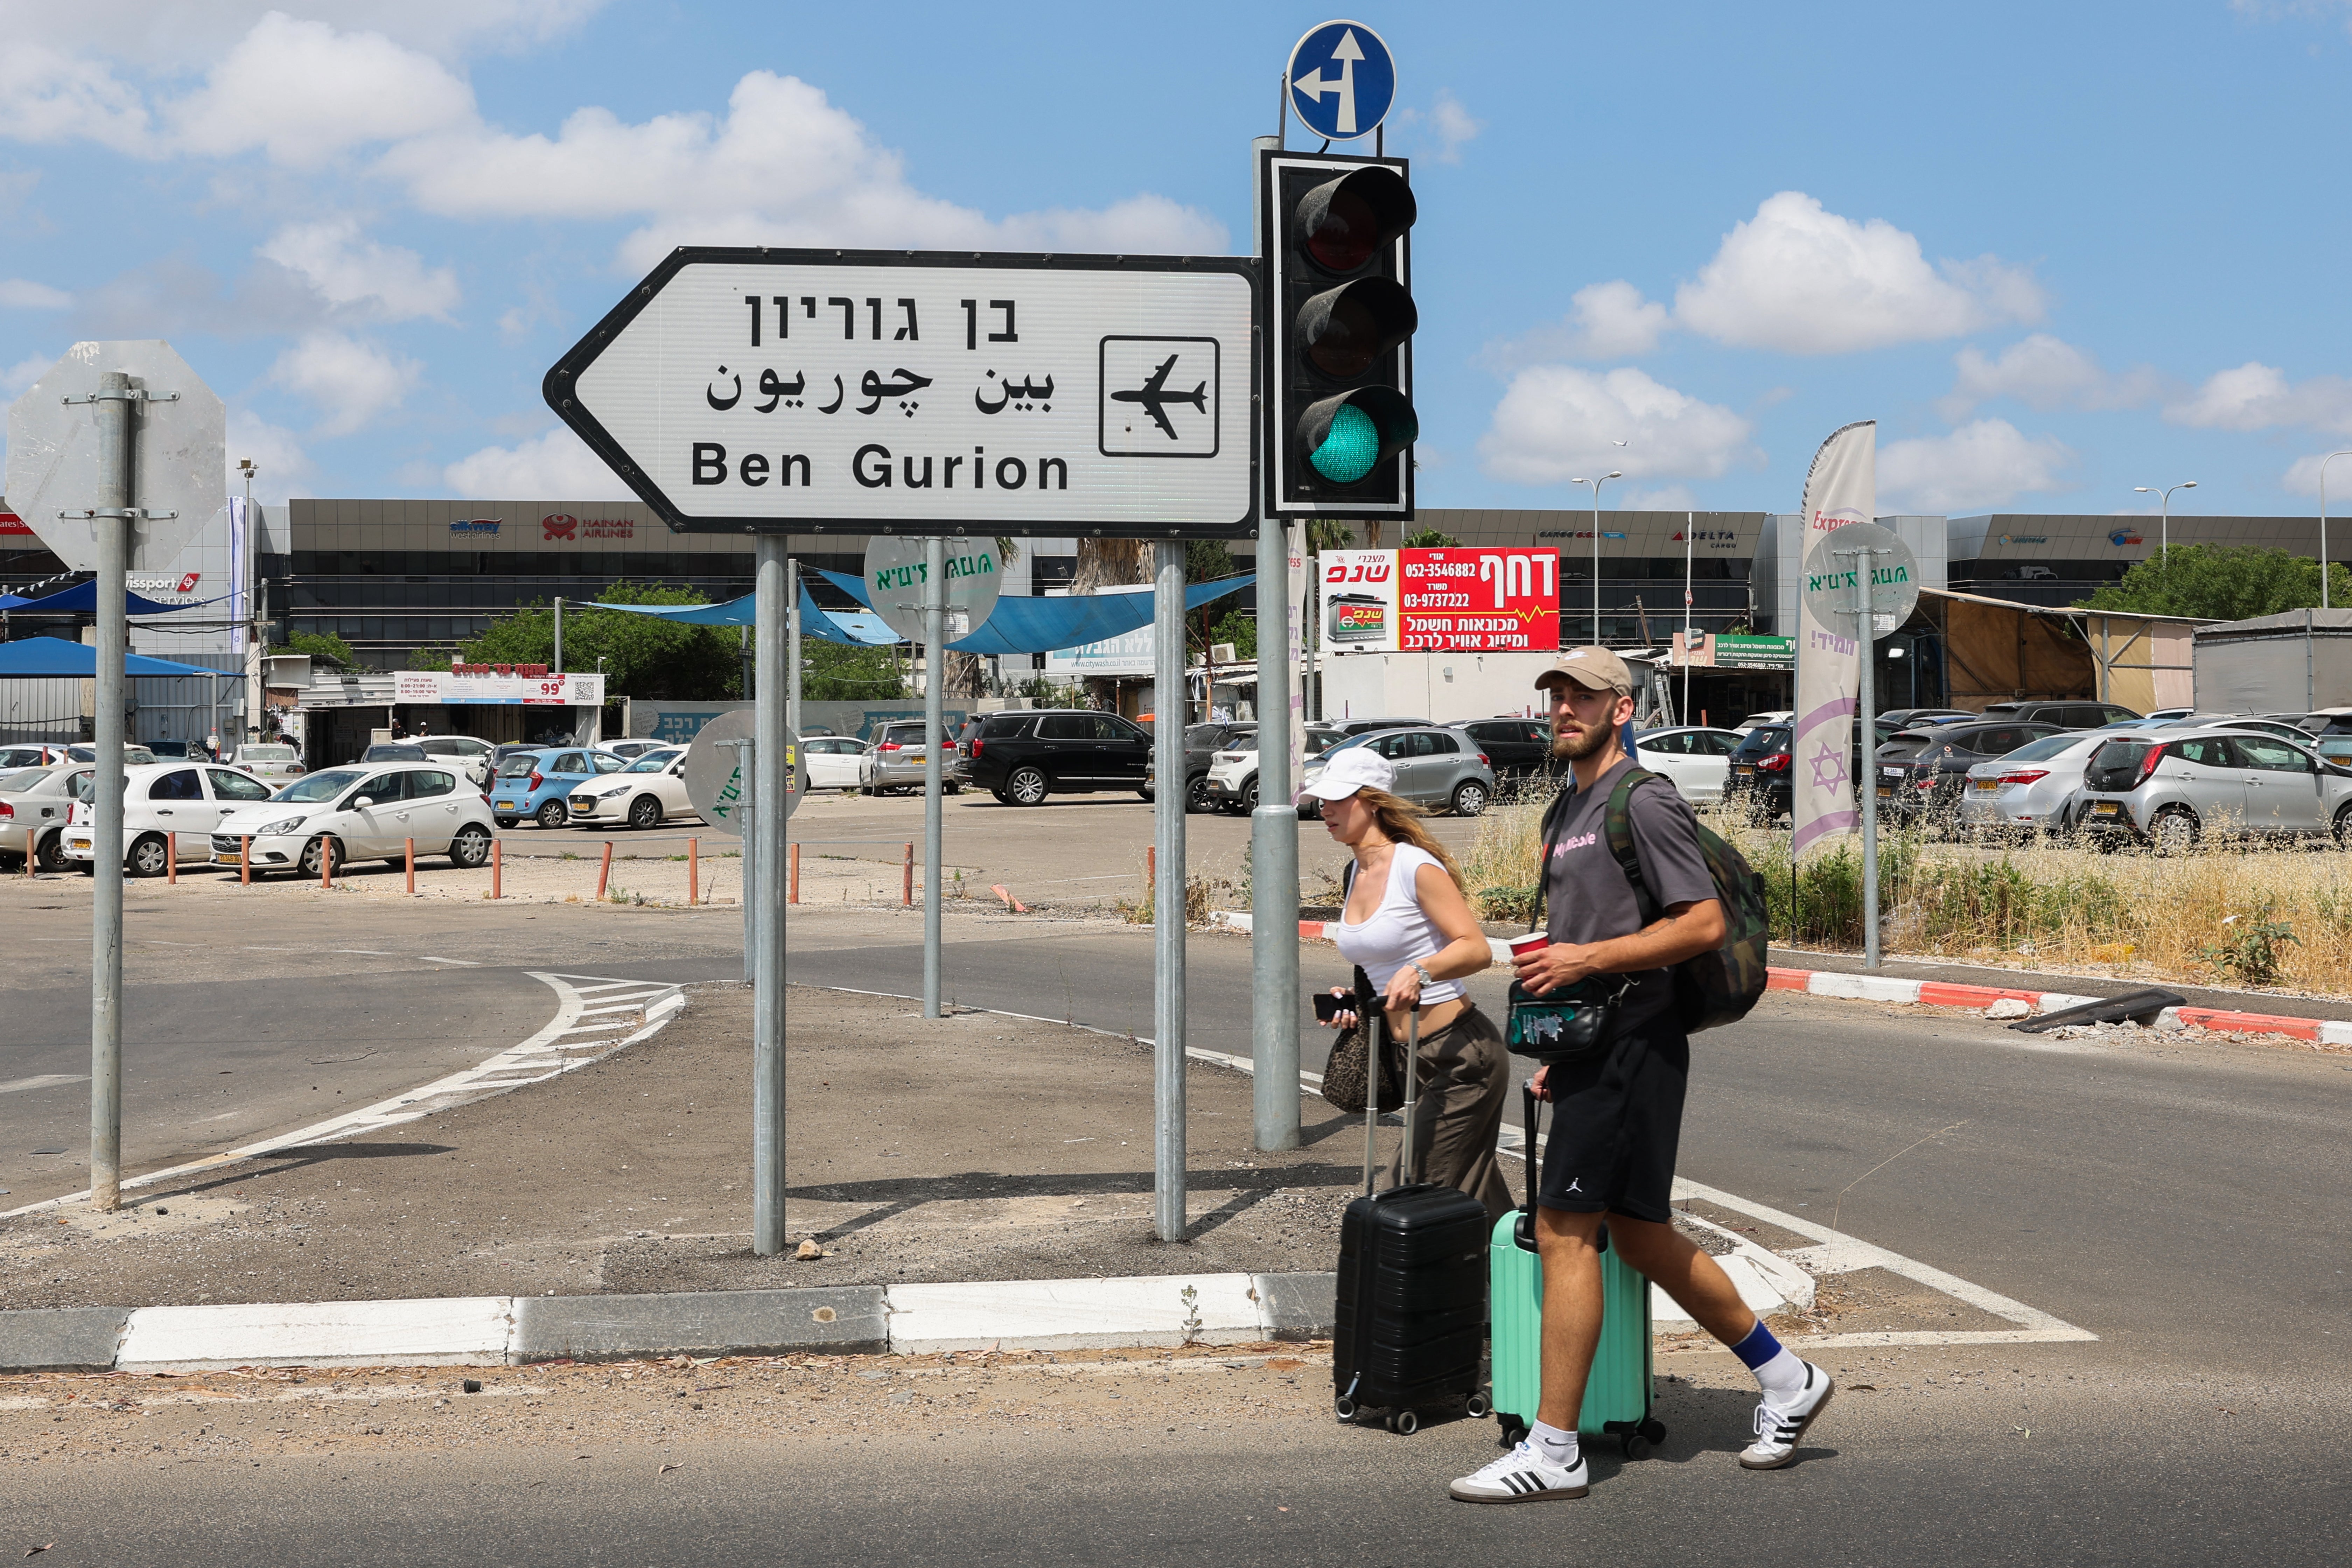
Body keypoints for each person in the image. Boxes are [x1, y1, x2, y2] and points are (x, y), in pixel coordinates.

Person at [1450, 648, 1832, 1504]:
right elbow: (1584, 939)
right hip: (1598, 1047)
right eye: (1556, 697)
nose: (1564, 710)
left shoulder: (1642, 799)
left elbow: (1697, 922)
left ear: (1623, 708)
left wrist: (1589, 959)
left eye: (1582, 696)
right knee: (1638, 1234)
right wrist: (1559, 1049)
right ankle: (1787, 1380)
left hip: (1638, 1045)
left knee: (1564, 1231)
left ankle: (1555, 1449)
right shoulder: (1569, 805)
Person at [1306, 746, 1513, 1223]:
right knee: (1477, 1202)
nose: (1326, 809)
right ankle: (1532, 1287)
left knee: (1407, 1194)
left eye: (1339, 799)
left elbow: (1476, 948)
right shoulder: (1355, 870)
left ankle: (1434, 1297)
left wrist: (1420, 972)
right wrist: (1357, 1000)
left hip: (1462, 1058)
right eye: (1322, 799)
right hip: (1411, 1059)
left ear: (1373, 801)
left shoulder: (1414, 866)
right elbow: (1381, 961)